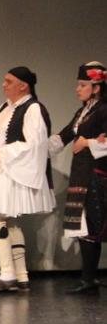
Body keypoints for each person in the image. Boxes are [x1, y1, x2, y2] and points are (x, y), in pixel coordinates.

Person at [0, 67, 54, 292]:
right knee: (10, 222)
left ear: (23, 85)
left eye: (9, 81)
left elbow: (35, 143)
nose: (3, 85)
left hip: (11, 169)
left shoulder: (32, 108)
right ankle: (22, 275)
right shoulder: (3, 108)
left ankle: (7, 274)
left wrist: (4, 153)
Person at [48, 62, 107, 293]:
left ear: (96, 87)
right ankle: (88, 279)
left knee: (92, 224)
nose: (77, 89)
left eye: (83, 85)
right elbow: (64, 136)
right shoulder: (84, 112)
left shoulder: (104, 109)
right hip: (82, 174)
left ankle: (89, 280)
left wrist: (87, 142)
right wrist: (36, 147)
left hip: (96, 174)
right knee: (84, 226)